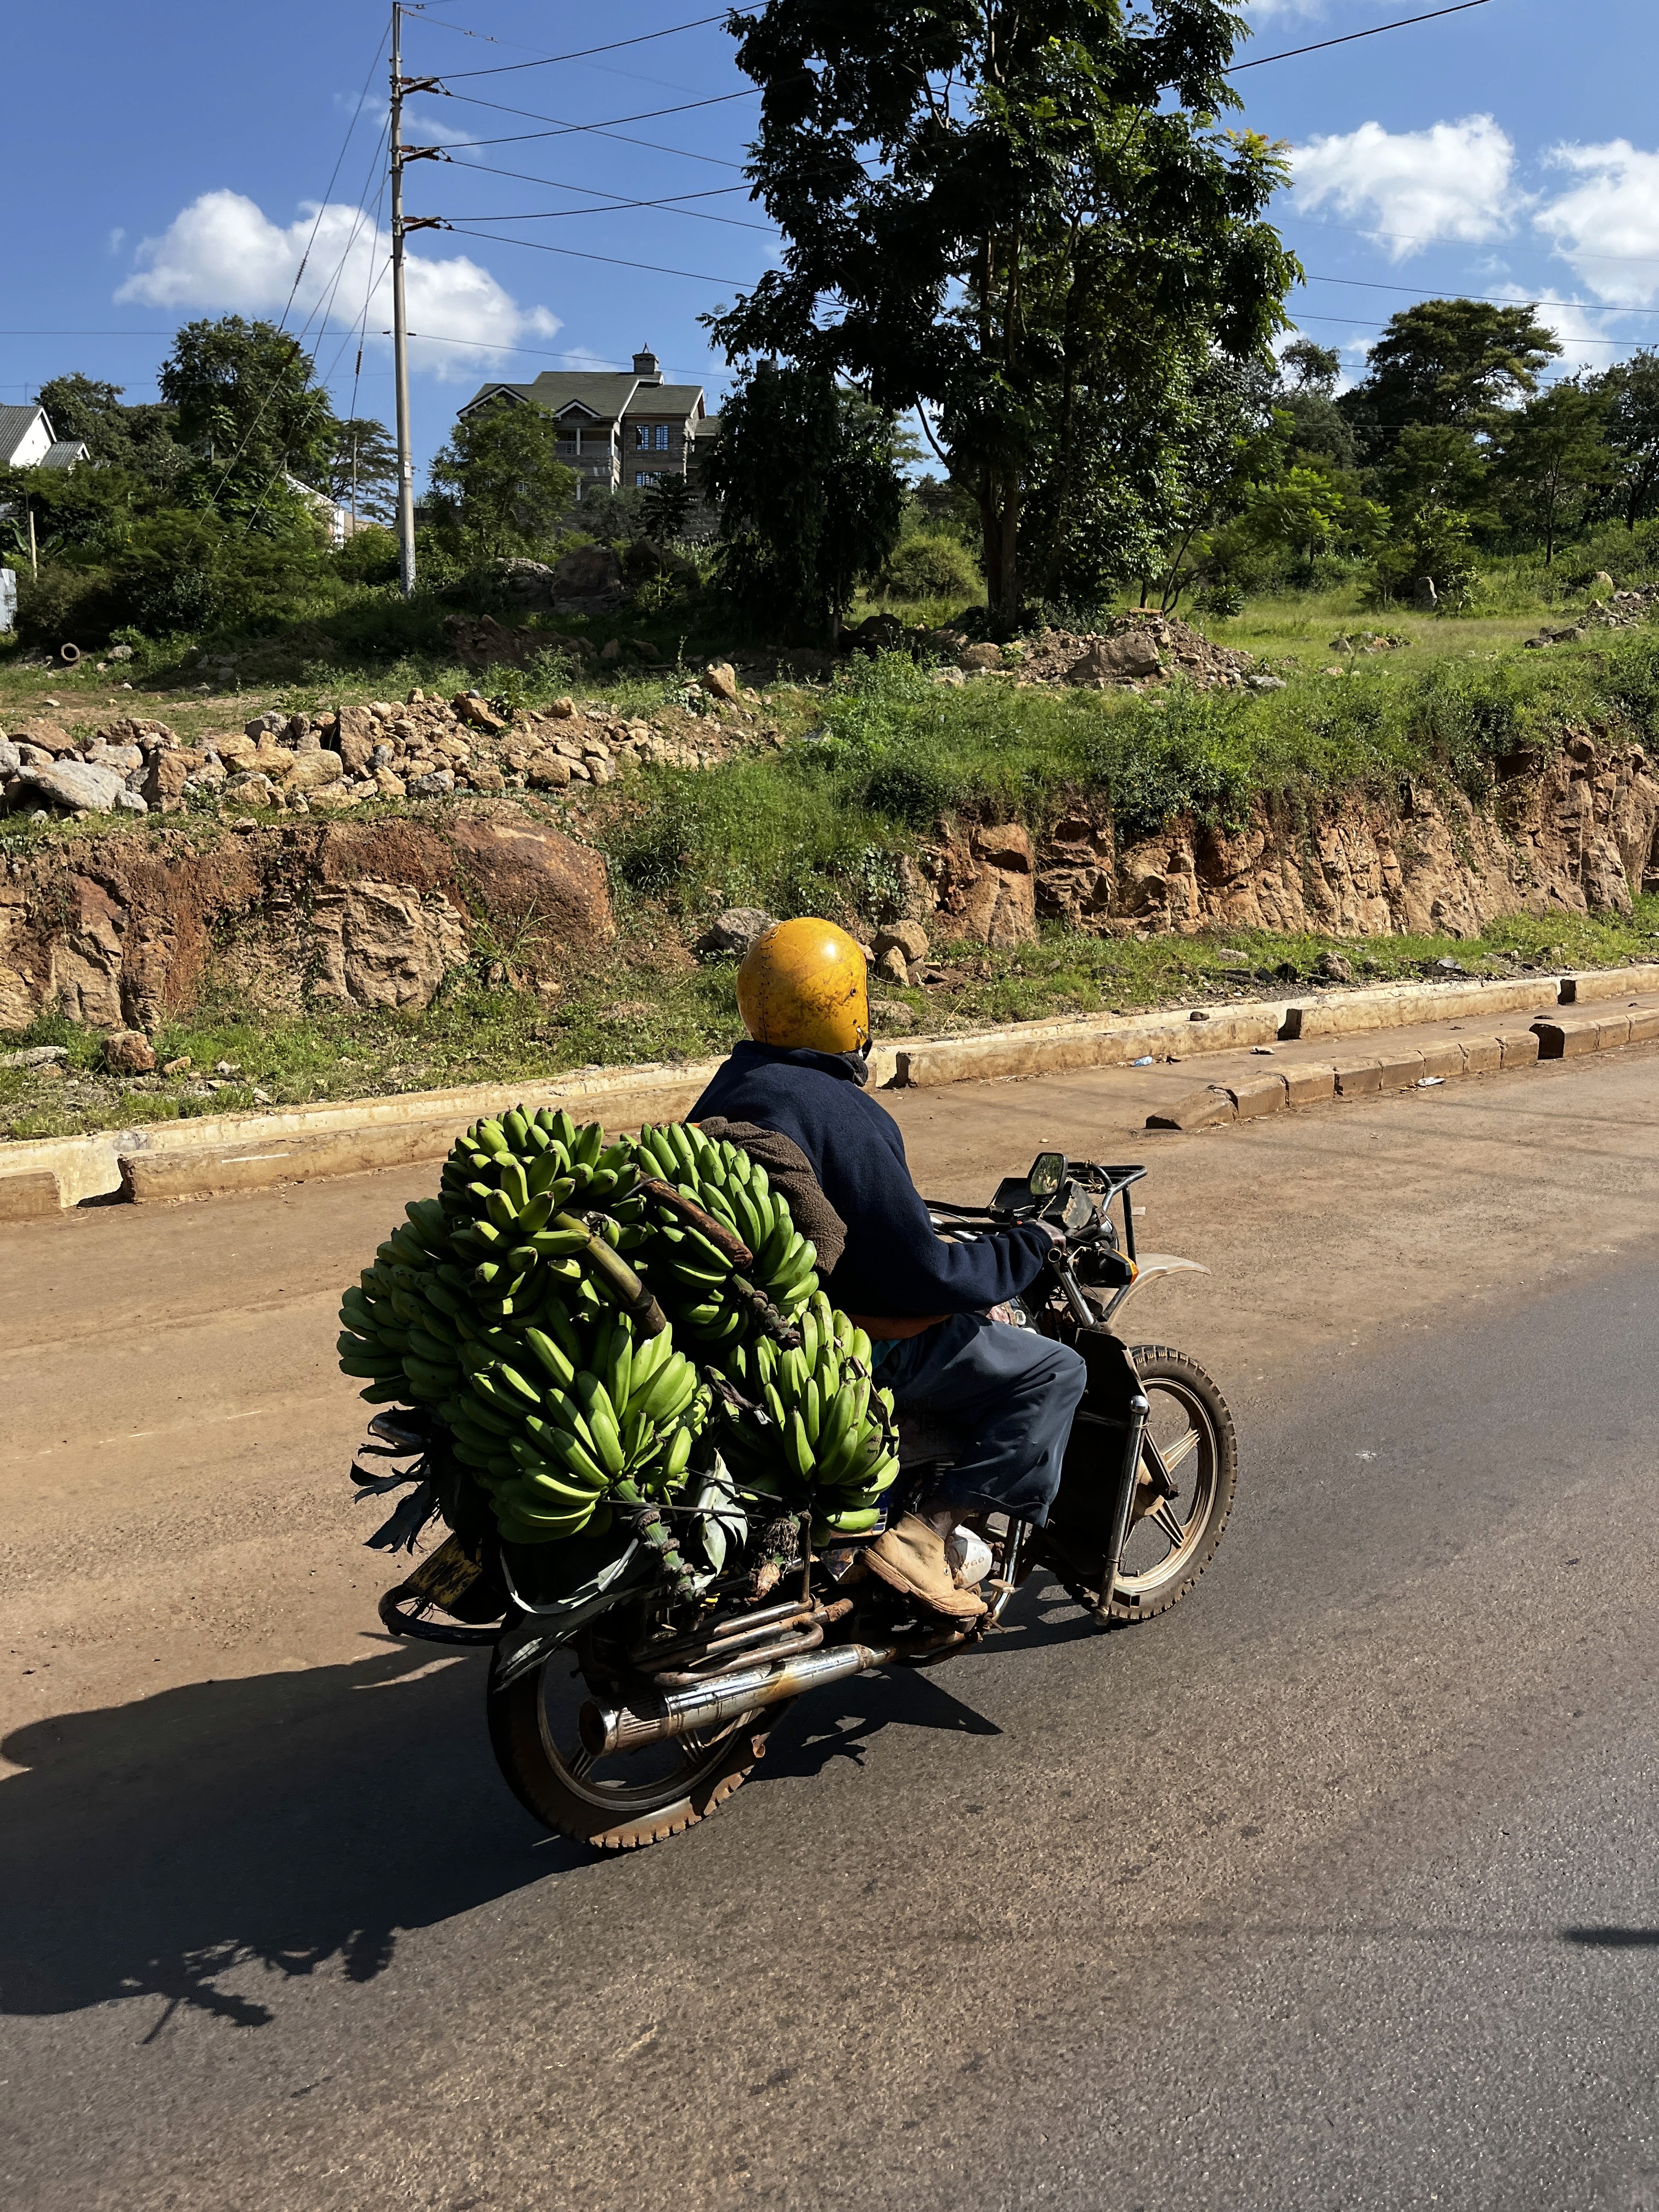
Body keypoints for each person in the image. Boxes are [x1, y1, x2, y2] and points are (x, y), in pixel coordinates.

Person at [689, 916, 1087, 1621]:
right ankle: (928, 1534)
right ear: (848, 1007)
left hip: (752, 1333)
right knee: (1057, 1370)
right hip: (852, 1345)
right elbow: (923, 1276)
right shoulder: (844, 1114)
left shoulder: (730, 1088)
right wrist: (1025, 1247)